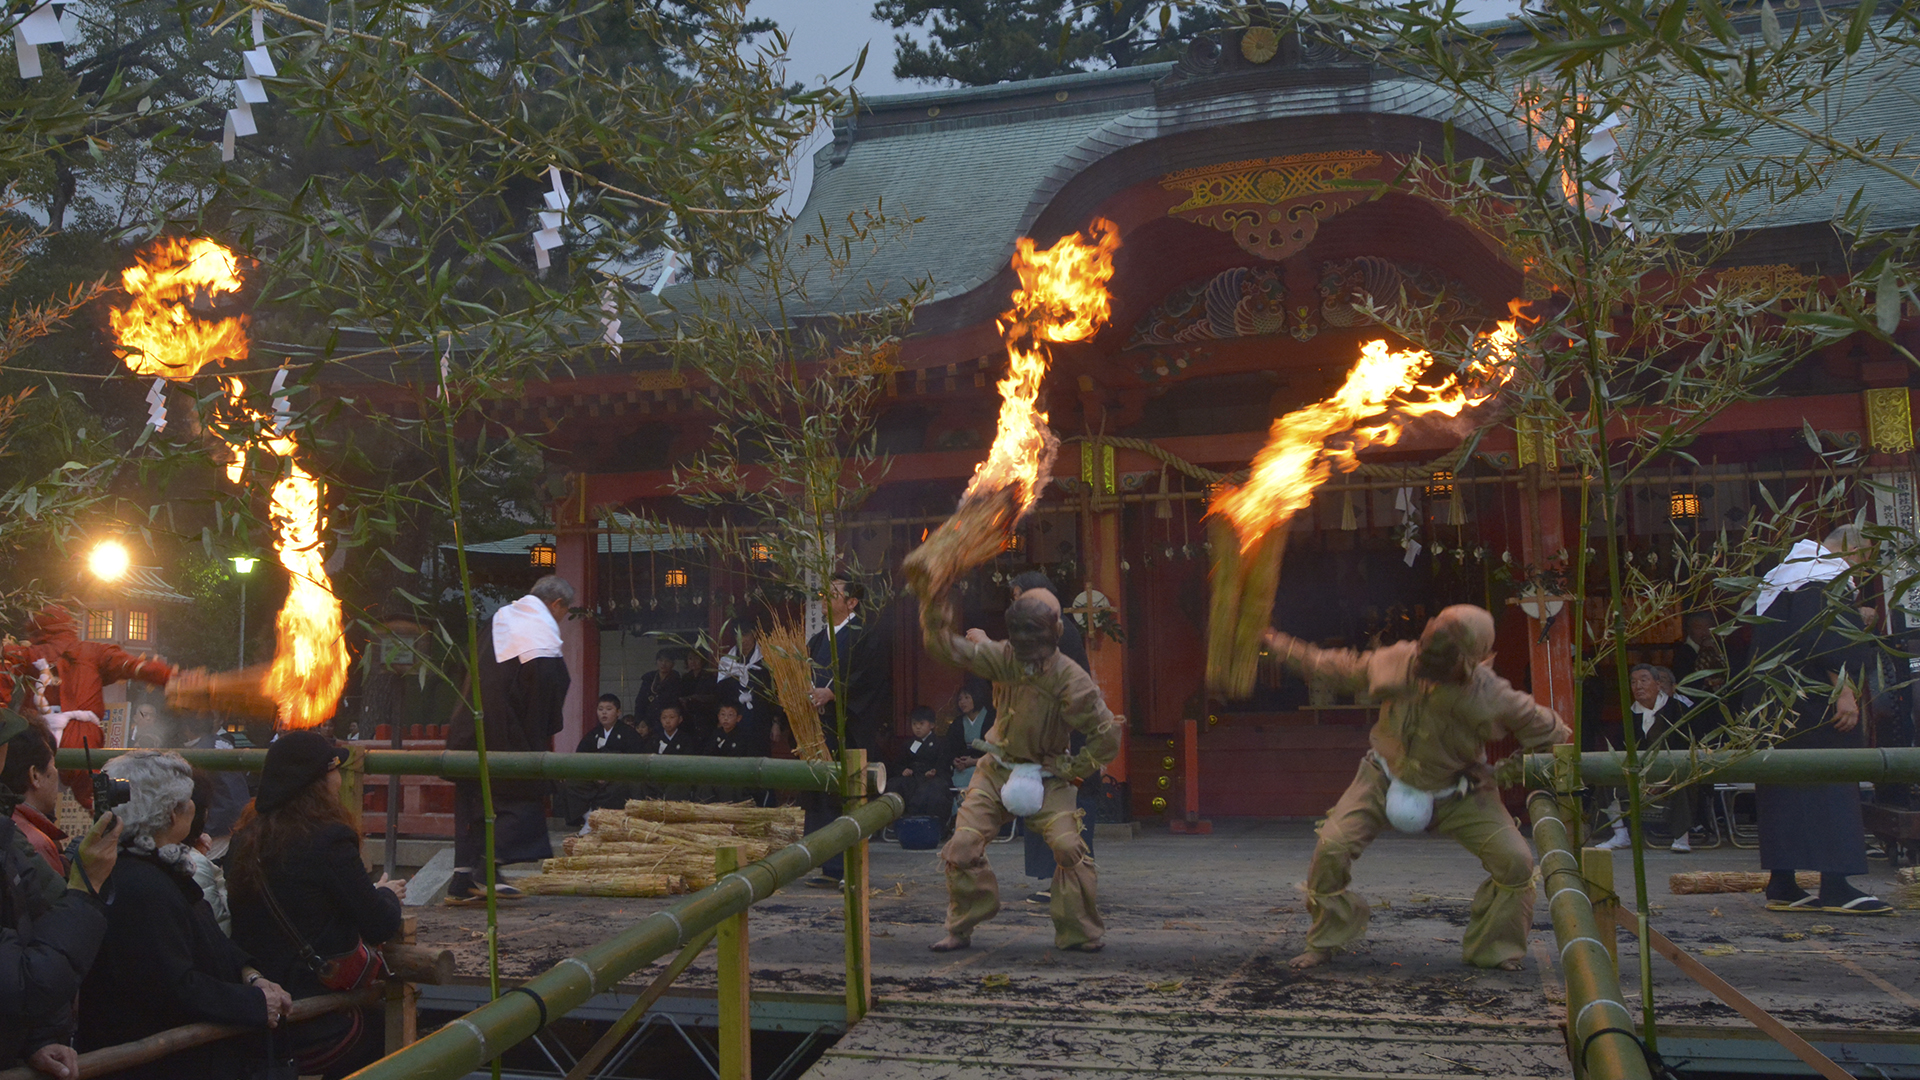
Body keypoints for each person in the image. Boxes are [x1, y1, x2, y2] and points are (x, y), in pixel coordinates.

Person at [1263, 605, 1571, 971]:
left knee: (1516, 862)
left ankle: (1497, 947)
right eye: (1427, 648)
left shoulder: (1493, 696)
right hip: (1381, 777)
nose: (1427, 662)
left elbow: (1555, 733)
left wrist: (1509, 770)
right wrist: (1274, 641)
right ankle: (1325, 939)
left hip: (1459, 789)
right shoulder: (1397, 661)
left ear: (1475, 661)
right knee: (1332, 847)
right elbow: (1331, 666)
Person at [916, 584, 1119, 953]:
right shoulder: (1003, 657)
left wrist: (1074, 766)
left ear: (1056, 634)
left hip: (1049, 776)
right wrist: (933, 611)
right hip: (996, 769)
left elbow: (1107, 736)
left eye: (1035, 642)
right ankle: (962, 925)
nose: (1027, 654)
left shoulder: (1072, 681)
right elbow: (949, 649)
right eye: (1019, 639)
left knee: (1069, 847)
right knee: (961, 845)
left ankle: (1079, 932)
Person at [78, 751, 294, 1080]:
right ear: (169, 813)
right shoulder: (141, 885)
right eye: (185, 800)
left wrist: (251, 975)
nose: (193, 807)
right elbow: (172, 986)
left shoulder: (159, 868)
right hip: (156, 1066)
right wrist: (251, 1003)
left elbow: (208, 938)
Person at [230, 732, 407, 1077]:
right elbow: (381, 923)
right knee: (389, 1032)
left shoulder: (242, 840)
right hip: (315, 1020)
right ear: (319, 781)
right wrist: (386, 894)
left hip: (257, 1017)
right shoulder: (328, 840)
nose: (340, 779)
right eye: (335, 770)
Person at [1744, 526, 1893, 914]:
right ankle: (1837, 884)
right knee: (1831, 777)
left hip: (1776, 700)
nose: (1860, 569)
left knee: (1783, 785)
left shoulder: (1787, 573)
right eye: (1863, 559)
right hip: (1811, 700)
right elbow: (1818, 639)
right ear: (1850, 549)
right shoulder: (1821, 574)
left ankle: (1783, 882)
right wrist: (1844, 691)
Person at [0, 704, 121, 1080]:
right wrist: (87, 886)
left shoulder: (9, 834)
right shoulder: (26, 842)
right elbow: (27, 980)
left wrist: (32, 1043)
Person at [446, 575, 574, 906]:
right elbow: (546, 685)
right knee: (519, 797)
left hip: (468, 724)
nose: (562, 619)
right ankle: (486, 870)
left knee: (473, 799)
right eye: (565, 612)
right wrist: (539, 733)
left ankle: (462, 878)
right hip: (503, 731)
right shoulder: (539, 627)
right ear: (556, 604)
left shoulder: (499, 619)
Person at [976, 572, 1098, 905]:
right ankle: (1060, 880)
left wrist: (986, 645)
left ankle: (1070, 882)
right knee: (1049, 807)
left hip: (1063, 736)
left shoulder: (1053, 632)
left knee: (1064, 811)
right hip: (1049, 737)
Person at [5, 605, 175, 810]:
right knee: (98, 799)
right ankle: (111, 827)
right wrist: (170, 678)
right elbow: (135, 667)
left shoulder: (28, 653)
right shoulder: (94, 651)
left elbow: (6, 668)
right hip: (82, 737)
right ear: (70, 626)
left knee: (25, 796)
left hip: (37, 738)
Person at [803, 575, 893, 887]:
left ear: (851, 602)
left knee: (849, 796)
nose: (824, 598)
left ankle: (853, 870)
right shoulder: (817, 640)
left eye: (832, 593)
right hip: (821, 729)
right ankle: (829, 867)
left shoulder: (864, 635)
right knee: (823, 795)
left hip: (849, 730)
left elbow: (870, 680)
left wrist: (834, 693)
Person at [1596, 664, 1699, 853]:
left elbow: (1686, 748)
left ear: (1658, 684)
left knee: (1681, 782)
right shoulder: (1629, 715)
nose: (1638, 686)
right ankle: (1620, 834)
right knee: (1607, 779)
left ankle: (1682, 837)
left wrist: (1663, 777)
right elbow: (1621, 751)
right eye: (1634, 682)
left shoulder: (1677, 709)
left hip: (1674, 770)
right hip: (1639, 775)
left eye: (1644, 680)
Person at [561, 694, 645, 826]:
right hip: (594, 776)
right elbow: (581, 758)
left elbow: (636, 760)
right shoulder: (593, 734)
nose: (604, 713)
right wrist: (594, 775)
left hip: (619, 776)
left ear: (618, 712)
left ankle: (606, 822)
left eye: (609, 709)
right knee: (572, 783)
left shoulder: (629, 734)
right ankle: (586, 818)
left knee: (619, 787)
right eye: (600, 709)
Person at [2, 717, 66, 874]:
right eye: (53, 766)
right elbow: (59, 899)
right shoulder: (37, 844)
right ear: (35, 775)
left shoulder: (8, 824)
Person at [182, 714, 250, 859]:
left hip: (217, 822)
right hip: (237, 816)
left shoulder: (198, 751)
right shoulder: (223, 742)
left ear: (187, 729)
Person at [701, 703, 767, 803]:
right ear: (718, 717)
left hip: (735, 776)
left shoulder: (744, 737)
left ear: (738, 718)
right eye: (722, 715)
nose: (726, 718)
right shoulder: (715, 734)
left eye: (730, 715)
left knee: (728, 788)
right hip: (715, 774)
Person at [893, 707, 950, 818]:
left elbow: (944, 764)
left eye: (921, 723)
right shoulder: (908, 744)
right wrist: (903, 770)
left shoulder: (940, 743)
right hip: (913, 777)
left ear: (932, 725)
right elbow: (899, 763)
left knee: (932, 789)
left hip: (932, 778)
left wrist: (934, 772)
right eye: (914, 724)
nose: (917, 727)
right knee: (895, 784)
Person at [946, 683, 995, 793]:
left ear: (977, 697)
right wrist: (955, 761)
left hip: (986, 767)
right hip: (962, 769)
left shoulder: (992, 719)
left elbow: (997, 750)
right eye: (960, 699)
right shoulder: (957, 723)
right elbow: (949, 749)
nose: (962, 702)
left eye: (967, 698)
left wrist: (974, 762)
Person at [1670, 612, 1727, 694]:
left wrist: (1716, 650)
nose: (1704, 632)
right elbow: (1682, 682)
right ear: (1689, 630)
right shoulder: (1683, 653)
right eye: (1698, 628)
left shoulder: (1723, 647)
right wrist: (1705, 683)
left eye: (1708, 627)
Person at [678, 649, 720, 741]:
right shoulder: (685, 678)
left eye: (696, 658)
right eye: (690, 659)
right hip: (688, 718)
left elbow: (714, 698)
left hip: (705, 717)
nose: (693, 662)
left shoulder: (709, 677)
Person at [637, 652, 681, 731]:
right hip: (646, 720)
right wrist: (641, 720)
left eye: (667, 661)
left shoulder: (676, 680)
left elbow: (671, 702)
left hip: (665, 722)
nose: (663, 664)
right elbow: (640, 701)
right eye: (660, 660)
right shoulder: (649, 678)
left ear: (673, 664)